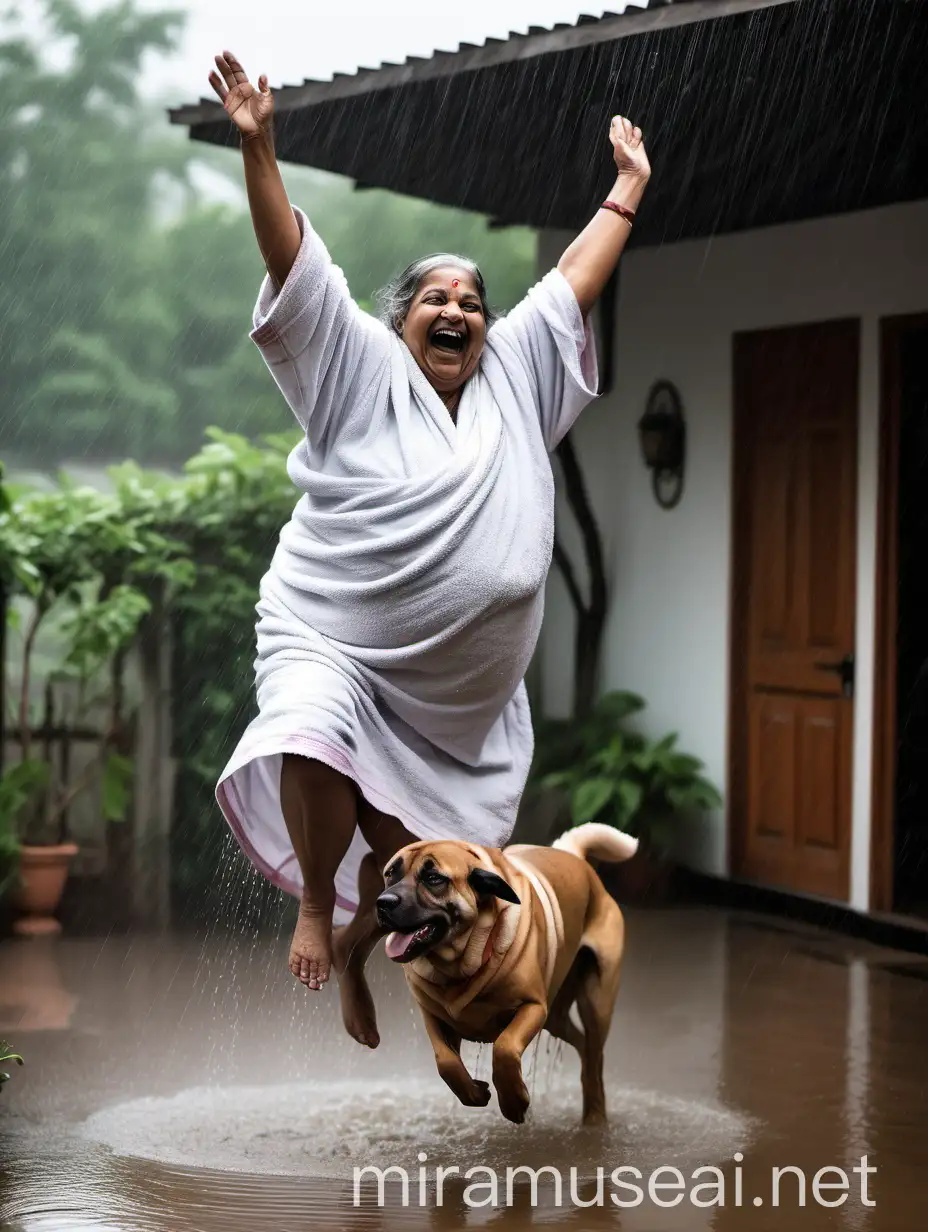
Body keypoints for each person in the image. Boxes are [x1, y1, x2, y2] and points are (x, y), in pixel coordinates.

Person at [207, 50, 650, 1048]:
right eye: (434, 300)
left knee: (427, 880)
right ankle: (317, 904)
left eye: (472, 302)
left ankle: (368, 959)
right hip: (332, 638)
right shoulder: (356, 369)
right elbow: (294, 263)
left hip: (455, 703)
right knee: (309, 729)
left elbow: (569, 282)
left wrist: (623, 194)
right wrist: (260, 149)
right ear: (399, 318)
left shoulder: (514, 379)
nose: (457, 310)